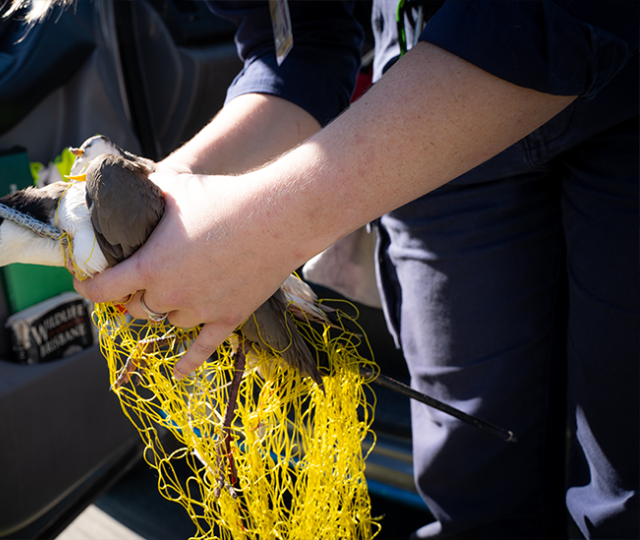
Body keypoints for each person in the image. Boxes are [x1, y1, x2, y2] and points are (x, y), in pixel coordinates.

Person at [73, 1, 639, 538]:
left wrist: (265, 228)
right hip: (428, 95)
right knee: (472, 481)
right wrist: (162, 204)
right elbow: (298, 46)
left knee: (626, 493)